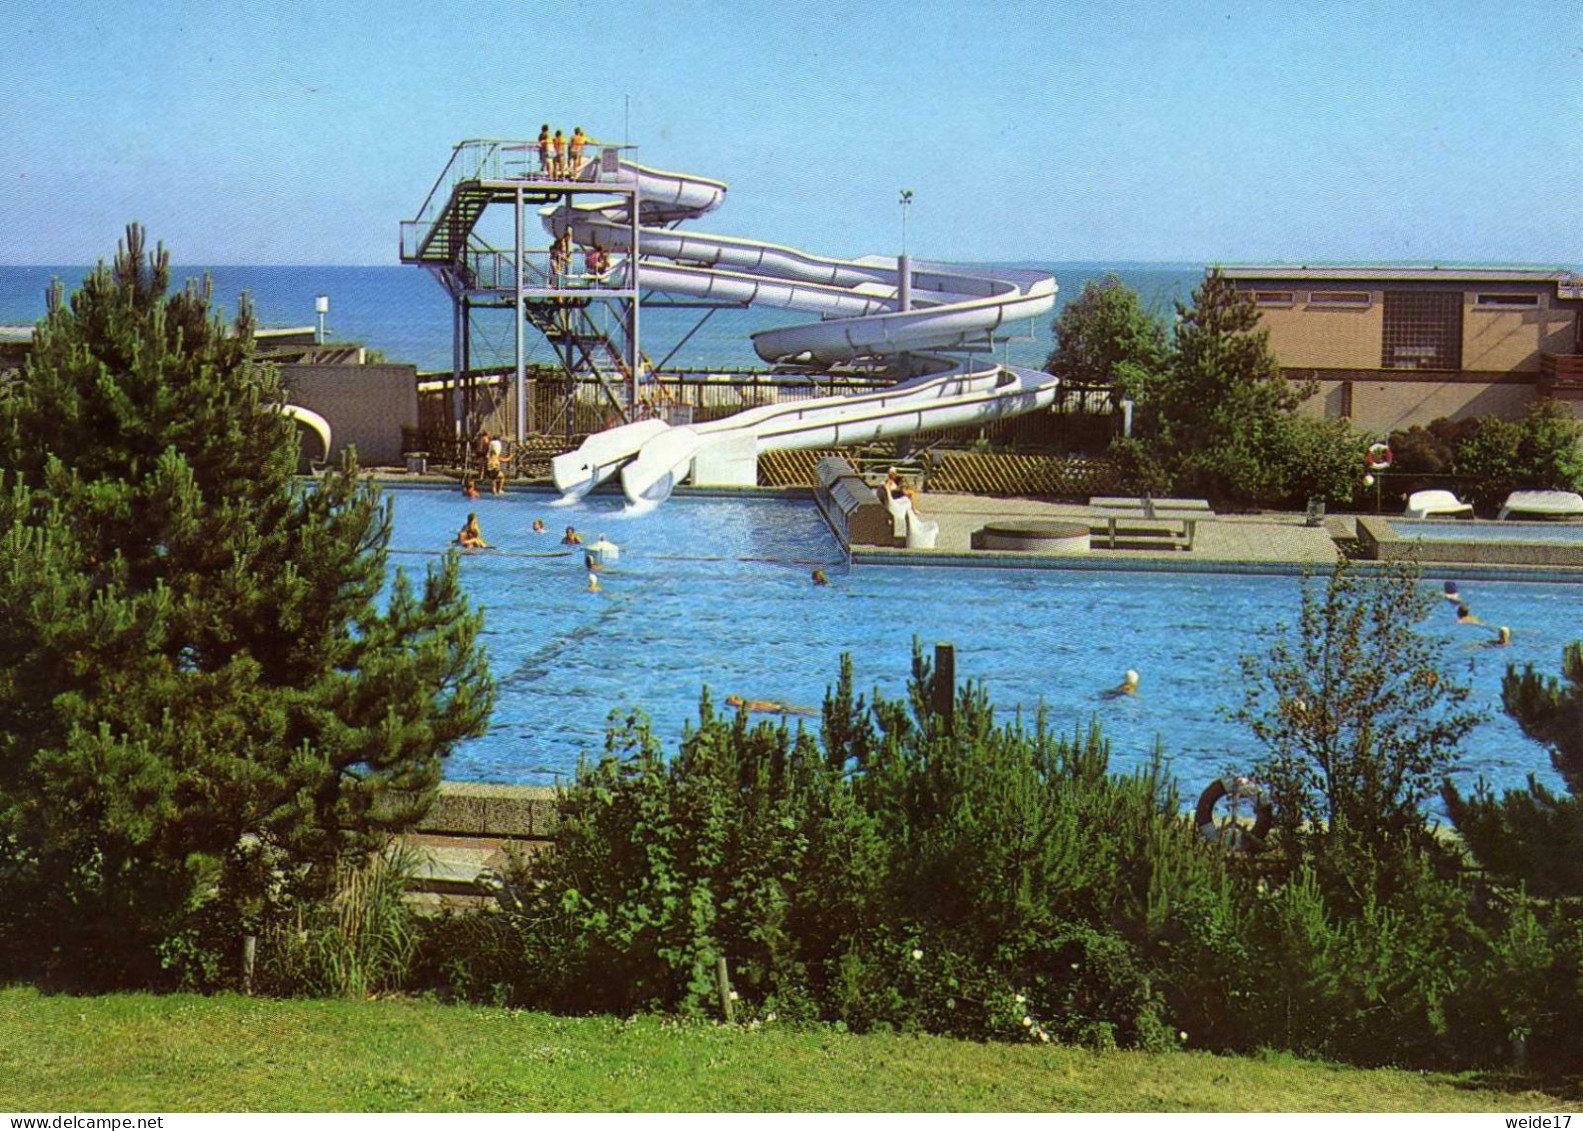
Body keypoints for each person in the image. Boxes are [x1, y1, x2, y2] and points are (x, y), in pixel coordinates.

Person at [725, 694, 817, 716]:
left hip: (775, 710)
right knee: (802, 710)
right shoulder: (750, 702)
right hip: (775, 708)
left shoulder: (747, 706)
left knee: (802, 711)